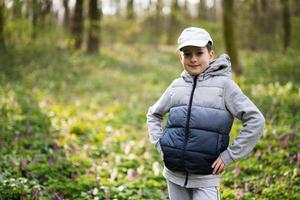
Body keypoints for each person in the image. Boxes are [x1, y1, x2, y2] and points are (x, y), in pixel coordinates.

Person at [146, 27, 265, 200]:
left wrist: (229, 156)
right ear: (181, 57)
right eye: (187, 54)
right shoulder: (176, 86)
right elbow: (153, 114)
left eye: (199, 53)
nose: (193, 59)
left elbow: (256, 120)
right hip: (173, 174)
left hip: (205, 178)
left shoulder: (225, 86)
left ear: (210, 55)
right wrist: (159, 144)